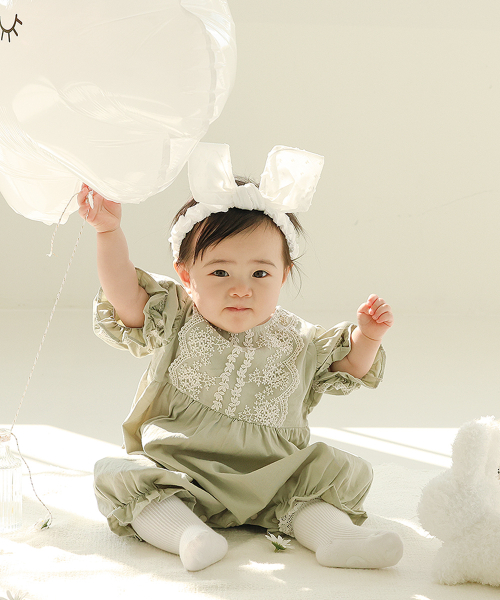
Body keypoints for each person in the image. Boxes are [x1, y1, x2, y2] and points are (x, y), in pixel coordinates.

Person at [78, 143, 403, 572]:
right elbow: (124, 293)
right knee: (123, 477)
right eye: (219, 271)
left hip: (273, 475)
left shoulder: (300, 340)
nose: (241, 288)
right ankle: (188, 536)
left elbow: (350, 368)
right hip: (180, 466)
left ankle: (337, 539)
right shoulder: (176, 316)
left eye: (260, 273)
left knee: (313, 485)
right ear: (185, 275)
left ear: (283, 275)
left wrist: (368, 337)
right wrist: (108, 232)